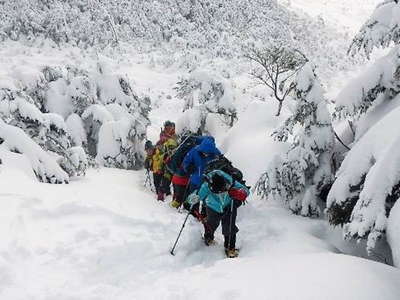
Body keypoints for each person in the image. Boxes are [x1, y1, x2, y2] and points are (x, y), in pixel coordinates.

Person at [185, 169, 249, 258]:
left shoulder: (231, 181)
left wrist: (240, 193)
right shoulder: (206, 186)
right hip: (212, 206)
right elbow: (197, 196)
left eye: (223, 191)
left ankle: (230, 248)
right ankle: (208, 238)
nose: (221, 193)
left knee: (229, 226)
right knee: (211, 224)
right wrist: (192, 199)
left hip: (229, 205)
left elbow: (245, 190)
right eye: (217, 193)